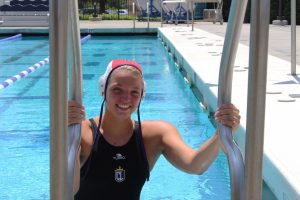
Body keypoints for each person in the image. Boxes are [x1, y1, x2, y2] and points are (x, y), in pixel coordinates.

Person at [69, 59, 241, 200]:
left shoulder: (156, 135)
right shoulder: (82, 134)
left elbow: (195, 165)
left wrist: (222, 132)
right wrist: (65, 133)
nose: (126, 98)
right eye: (117, 89)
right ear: (102, 90)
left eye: (134, 92)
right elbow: (67, 188)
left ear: (142, 96)